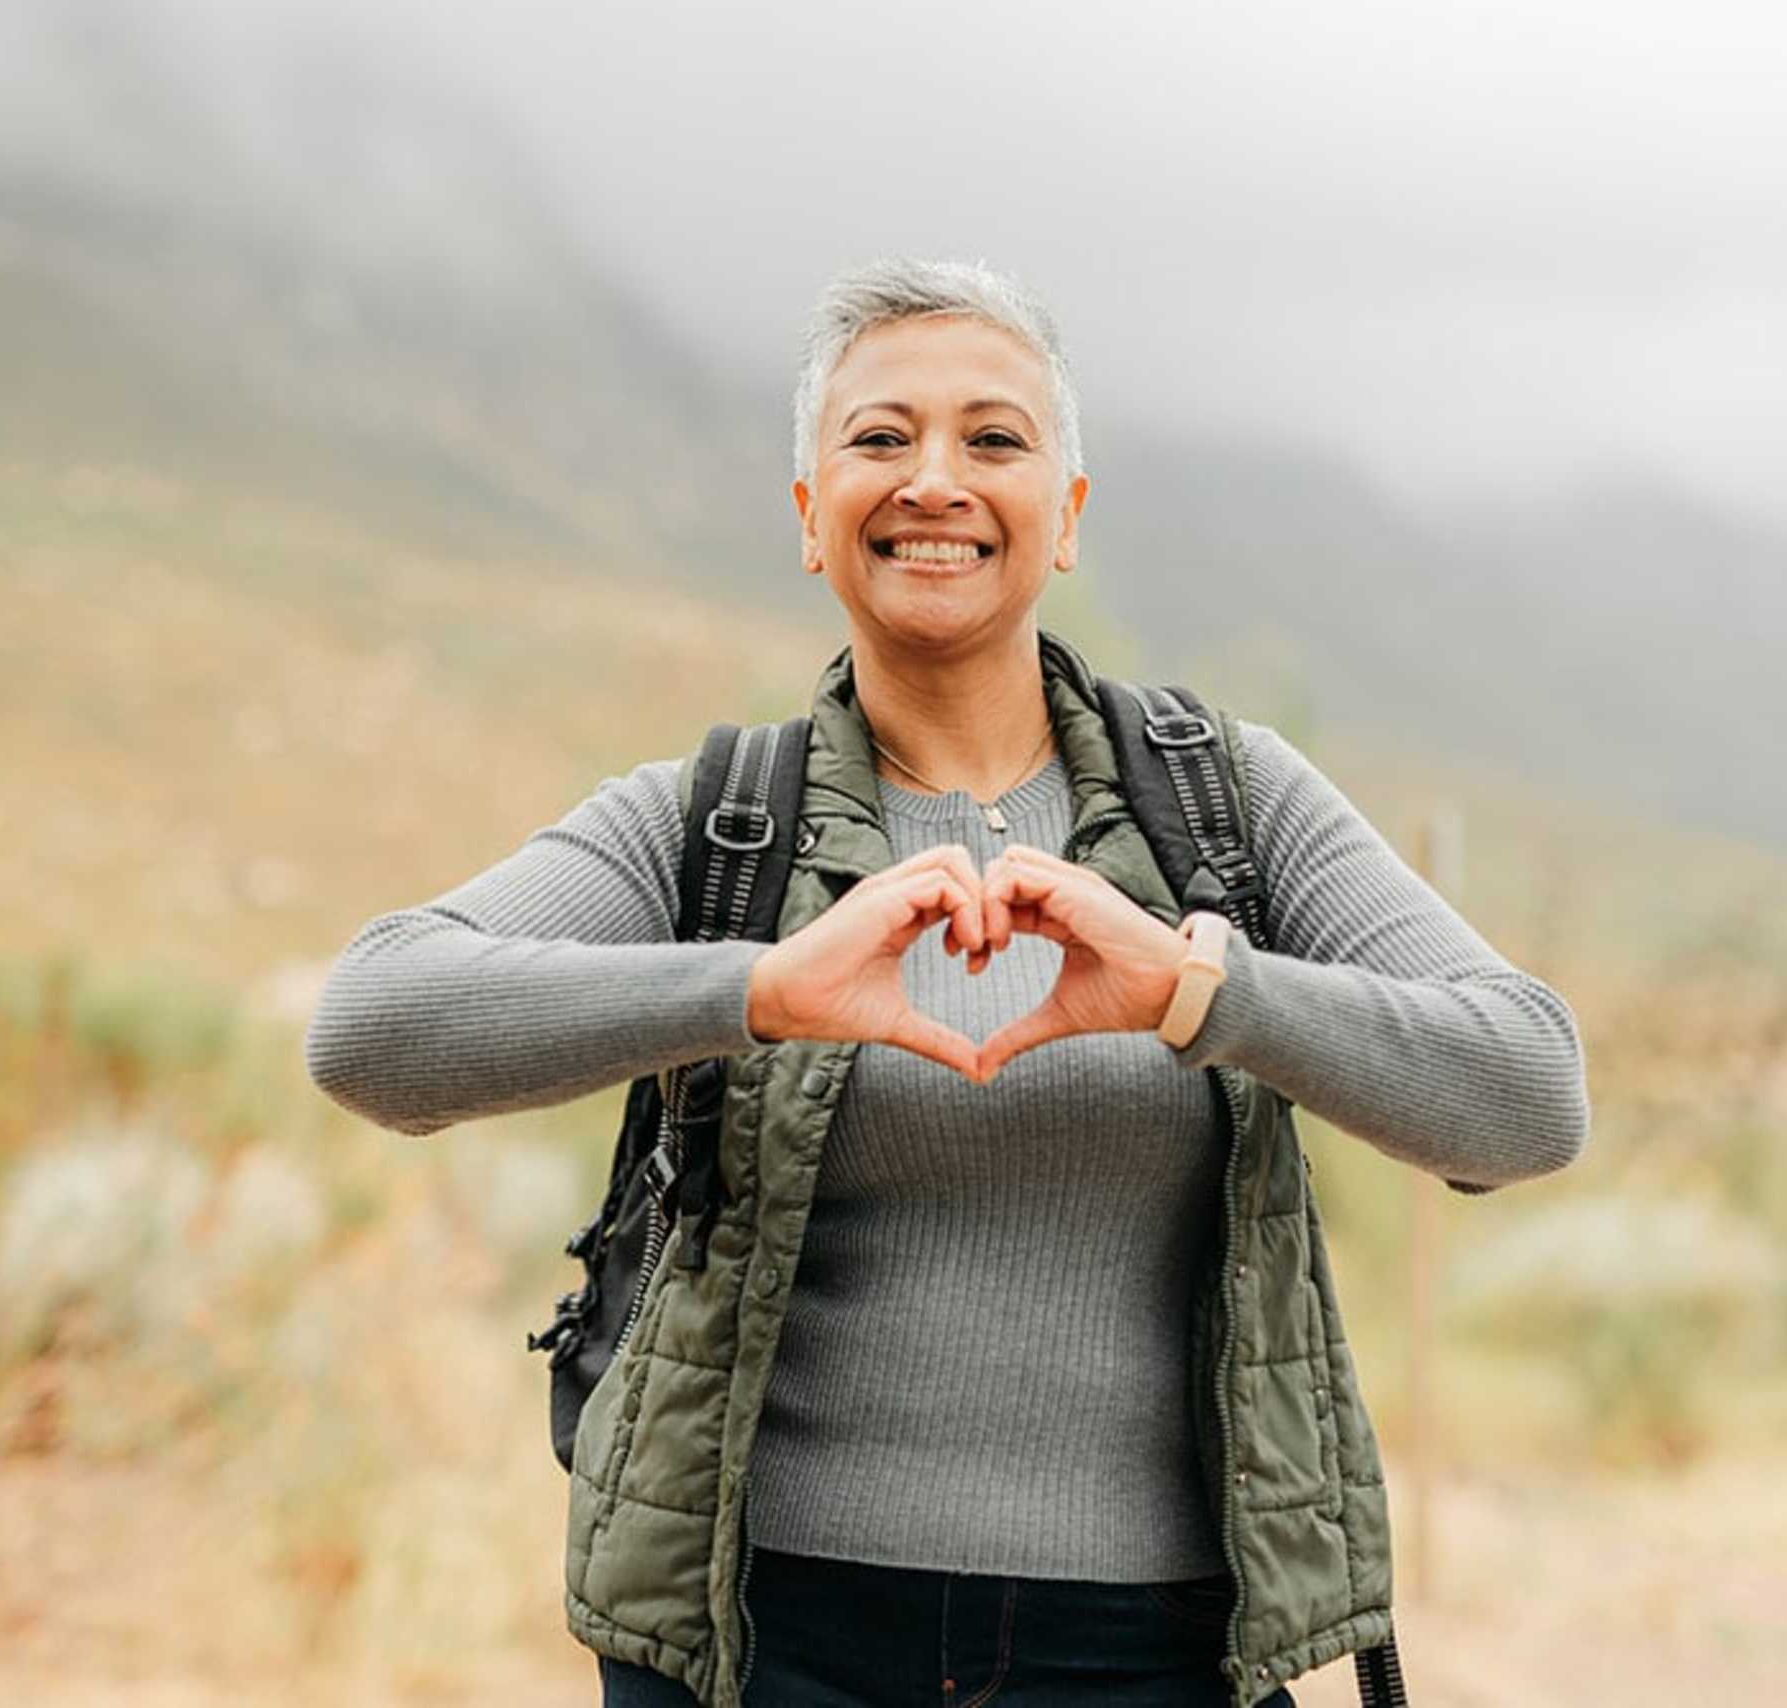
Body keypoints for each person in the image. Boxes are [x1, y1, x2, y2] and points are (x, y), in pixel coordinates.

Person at [304, 257, 1590, 1708]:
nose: (935, 481)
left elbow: (1528, 1095)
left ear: (1069, 516)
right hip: (761, 1651)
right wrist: (758, 988)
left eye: (994, 438)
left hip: (1156, 1660)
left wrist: (1198, 991)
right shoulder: (717, 820)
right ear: (809, 517)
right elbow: (371, 1027)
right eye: (876, 438)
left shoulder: (1228, 805)